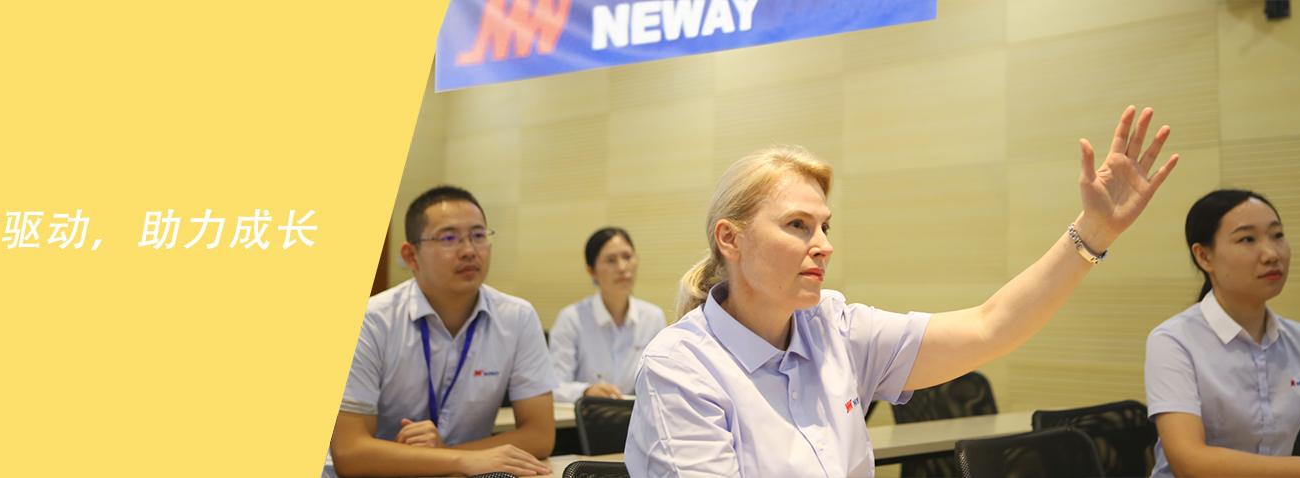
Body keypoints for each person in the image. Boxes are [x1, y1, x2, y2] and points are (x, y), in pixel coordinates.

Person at [625, 106, 1181, 477]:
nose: (823, 246)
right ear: (731, 239)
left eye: (825, 227)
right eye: (797, 225)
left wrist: (1092, 233)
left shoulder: (834, 327)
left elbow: (991, 327)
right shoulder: (680, 367)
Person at [327, 186, 557, 478]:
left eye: (478, 235)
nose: (469, 251)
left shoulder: (518, 317)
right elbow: (350, 453)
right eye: (449, 238)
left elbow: (539, 434)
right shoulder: (371, 321)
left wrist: (446, 455)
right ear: (411, 256)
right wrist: (458, 459)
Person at [1146, 189, 1300, 477]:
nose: (1271, 254)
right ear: (1204, 256)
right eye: (1247, 239)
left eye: (1277, 235)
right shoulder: (1173, 340)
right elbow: (1190, 463)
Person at [550, 227, 666, 405]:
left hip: (633, 416)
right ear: (591, 271)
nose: (622, 268)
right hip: (586, 417)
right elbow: (554, 386)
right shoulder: (571, 319)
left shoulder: (653, 318)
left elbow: (659, 382)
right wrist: (586, 391)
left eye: (627, 257)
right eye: (611, 260)